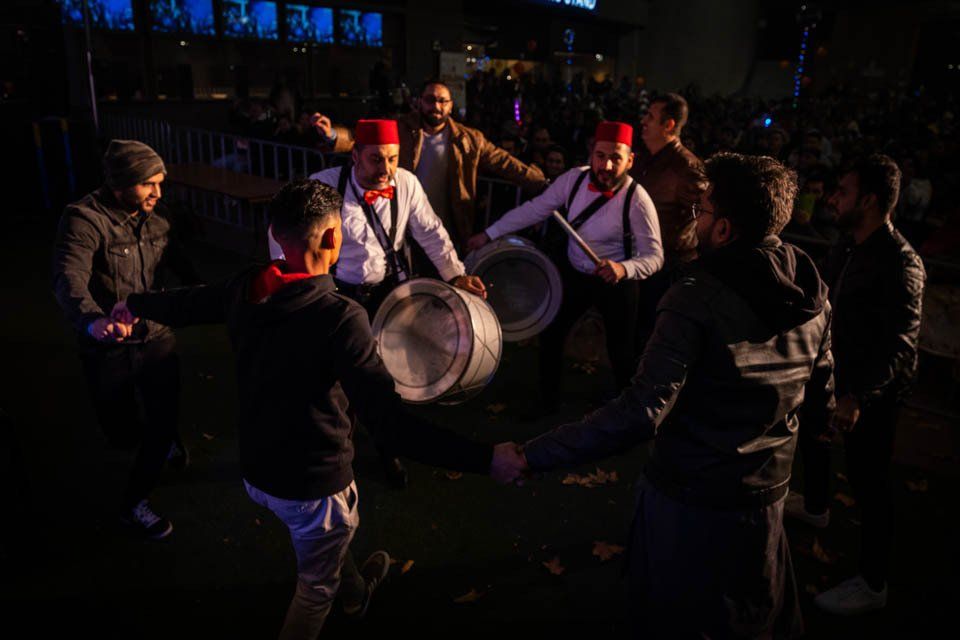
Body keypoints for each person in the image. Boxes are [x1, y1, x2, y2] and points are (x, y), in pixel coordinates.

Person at [113, 179, 508, 637]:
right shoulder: (339, 317)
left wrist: (132, 305)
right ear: (333, 238)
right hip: (313, 485)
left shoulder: (248, 285)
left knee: (327, 544)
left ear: (277, 235)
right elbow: (391, 428)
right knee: (314, 588)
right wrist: (484, 458)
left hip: (257, 471)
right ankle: (343, 594)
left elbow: (186, 303)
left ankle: (356, 592)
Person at [492, 153, 835, 638]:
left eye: (703, 210)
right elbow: (822, 402)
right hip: (764, 501)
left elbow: (640, 412)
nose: (695, 219)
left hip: (691, 503)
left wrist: (533, 454)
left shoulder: (695, 296)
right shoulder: (812, 292)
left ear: (724, 230)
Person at [290, 119, 485, 488]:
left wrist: (455, 275)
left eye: (393, 159)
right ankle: (338, 448)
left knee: (386, 376)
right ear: (356, 155)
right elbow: (287, 233)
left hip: (390, 291)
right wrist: (297, 284)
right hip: (341, 293)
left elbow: (430, 231)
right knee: (337, 377)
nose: (386, 170)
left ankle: (387, 449)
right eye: (377, 160)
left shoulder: (406, 183)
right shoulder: (324, 185)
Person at [789, 154, 926, 615]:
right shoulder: (846, 246)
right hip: (833, 373)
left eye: (843, 191)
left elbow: (901, 345)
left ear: (868, 200)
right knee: (813, 439)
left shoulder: (902, 262)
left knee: (870, 483)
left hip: (873, 392)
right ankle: (817, 507)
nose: (832, 198)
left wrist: (857, 396)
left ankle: (873, 582)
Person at [52, 140, 197, 539]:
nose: (158, 193)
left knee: (160, 423)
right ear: (120, 184)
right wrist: (93, 321)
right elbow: (68, 278)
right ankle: (154, 438)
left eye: (160, 182)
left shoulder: (159, 216)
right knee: (121, 432)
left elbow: (185, 269)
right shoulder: (83, 219)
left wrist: (216, 295)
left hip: (157, 339)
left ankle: (134, 502)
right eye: (149, 184)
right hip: (107, 346)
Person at [467, 121, 663, 407]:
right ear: (591, 154)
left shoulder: (637, 200)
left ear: (630, 160)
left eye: (616, 158)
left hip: (617, 283)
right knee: (551, 334)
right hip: (575, 274)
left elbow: (655, 257)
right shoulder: (573, 179)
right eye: (600, 156)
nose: (606, 166)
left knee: (622, 350)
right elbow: (534, 210)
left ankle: (627, 409)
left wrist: (623, 269)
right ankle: (547, 403)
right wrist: (489, 234)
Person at [311, 80, 546, 249]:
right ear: (419, 103)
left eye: (443, 101)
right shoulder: (402, 128)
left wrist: (540, 183)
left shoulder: (469, 138)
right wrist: (332, 135)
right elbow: (359, 138)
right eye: (430, 100)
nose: (436, 106)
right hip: (403, 219)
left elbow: (503, 162)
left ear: (451, 106)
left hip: (450, 223)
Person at [631, 93, 707, 349]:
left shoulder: (685, 167)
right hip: (643, 261)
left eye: (650, 117)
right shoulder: (645, 159)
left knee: (652, 337)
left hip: (668, 268)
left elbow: (705, 215)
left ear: (669, 125)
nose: (643, 121)